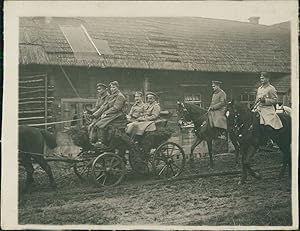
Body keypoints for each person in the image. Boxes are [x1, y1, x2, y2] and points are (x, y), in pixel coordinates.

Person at [93, 81, 127, 148]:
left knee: (100, 123)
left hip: (118, 114)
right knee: (97, 121)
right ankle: (97, 140)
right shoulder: (111, 96)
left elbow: (116, 108)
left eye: (114, 87)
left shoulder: (120, 96)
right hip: (112, 113)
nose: (112, 89)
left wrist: (106, 113)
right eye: (111, 87)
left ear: (117, 88)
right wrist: (96, 114)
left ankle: (102, 142)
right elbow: (105, 106)